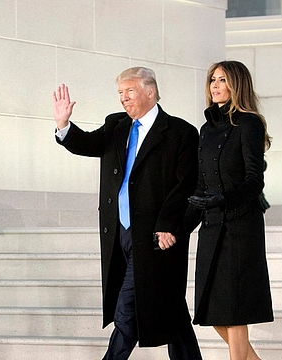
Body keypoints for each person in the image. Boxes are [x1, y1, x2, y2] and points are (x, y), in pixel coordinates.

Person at [53, 67, 202, 360]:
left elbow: (187, 186)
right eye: (120, 93)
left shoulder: (180, 132)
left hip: (156, 236)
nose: (123, 98)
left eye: (129, 91)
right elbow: (87, 144)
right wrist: (63, 124)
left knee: (127, 310)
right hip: (118, 233)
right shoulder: (116, 125)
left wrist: (170, 226)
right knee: (172, 309)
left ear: (150, 91)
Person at [186, 60, 274, 360]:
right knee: (212, 311)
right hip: (212, 228)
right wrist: (175, 228)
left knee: (235, 311)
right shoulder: (206, 128)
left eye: (222, 80)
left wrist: (222, 199)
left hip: (240, 227)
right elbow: (199, 186)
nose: (215, 85)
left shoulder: (249, 123)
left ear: (236, 85)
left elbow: (254, 182)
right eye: (212, 79)